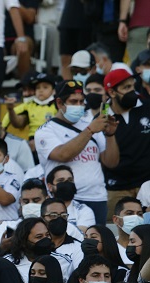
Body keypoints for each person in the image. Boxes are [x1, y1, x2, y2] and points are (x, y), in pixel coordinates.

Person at [35, 80, 118, 225]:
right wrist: (90, 130)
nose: (79, 106)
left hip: (97, 197)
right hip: (65, 199)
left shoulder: (90, 125)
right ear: (60, 103)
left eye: (81, 101)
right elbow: (63, 154)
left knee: (96, 244)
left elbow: (111, 162)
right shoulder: (46, 130)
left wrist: (110, 135)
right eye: (73, 101)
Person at [102, 69, 150, 219]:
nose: (132, 92)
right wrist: (110, 133)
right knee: (118, 232)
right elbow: (108, 161)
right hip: (117, 189)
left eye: (132, 86)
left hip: (148, 185)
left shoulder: (147, 108)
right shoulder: (102, 118)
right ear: (112, 92)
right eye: (126, 88)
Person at [5, 218, 74, 283]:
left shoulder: (64, 262)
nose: (45, 240)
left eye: (47, 235)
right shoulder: (8, 264)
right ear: (24, 241)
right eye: (39, 237)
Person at [3, 73, 57, 144]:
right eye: (38, 88)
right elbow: (13, 118)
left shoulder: (58, 104)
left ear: (53, 91)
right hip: (32, 140)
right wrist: (3, 126)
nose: (26, 94)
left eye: (45, 87)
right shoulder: (28, 105)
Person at [45, 166, 96, 231]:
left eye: (70, 180)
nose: (66, 183)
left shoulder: (84, 210)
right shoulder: (43, 209)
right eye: (61, 181)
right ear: (50, 186)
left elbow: (81, 234)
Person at [40, 198, 84, 268]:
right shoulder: (35, 244)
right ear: (42, 218)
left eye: (63, 215)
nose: (59, 219)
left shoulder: (78, 248)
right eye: (53, 215)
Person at [112, 197, 144, 264]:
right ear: (116, 219)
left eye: (140, 214)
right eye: (129, 213)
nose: (136, 217)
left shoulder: (147, 247)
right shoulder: (109, 248)